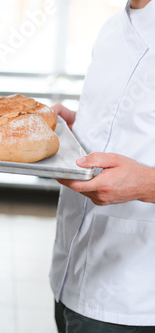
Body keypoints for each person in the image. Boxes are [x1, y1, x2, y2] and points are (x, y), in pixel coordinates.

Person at [49, 0, 155, 332]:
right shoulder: (112, 28)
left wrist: (147, 184)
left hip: (134, 297)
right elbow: (130, 127)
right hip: (70, 270)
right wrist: (77, 127)